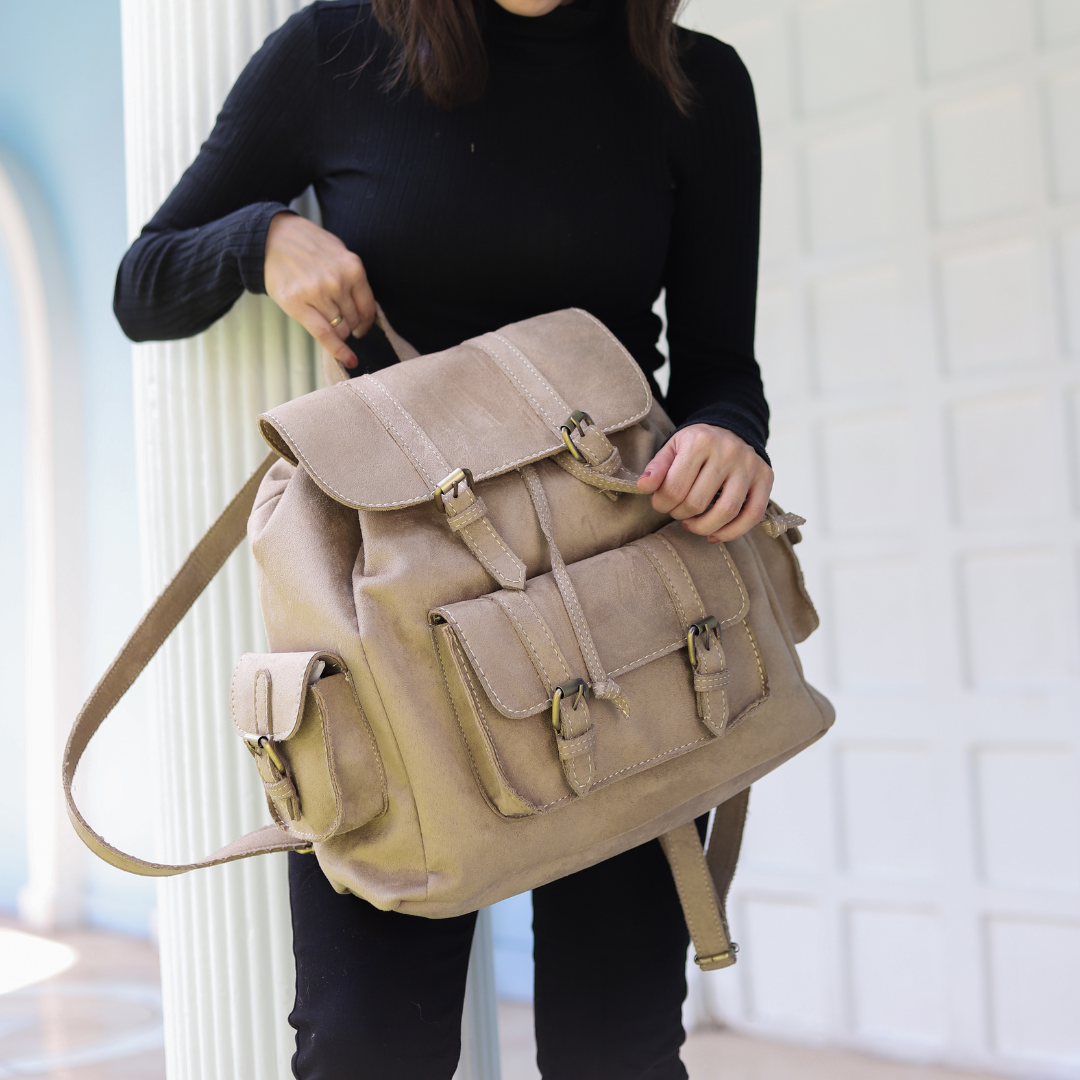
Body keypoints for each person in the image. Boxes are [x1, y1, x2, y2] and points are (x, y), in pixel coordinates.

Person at [114, 0, 772, 1076]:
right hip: (387, 631)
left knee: (618, 1048)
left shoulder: (695, 82)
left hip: (618, 617)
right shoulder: (335, 49)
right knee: (367, 1046)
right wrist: (264, 239)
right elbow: (144, 284)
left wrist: (727, 435)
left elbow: (718, 366)